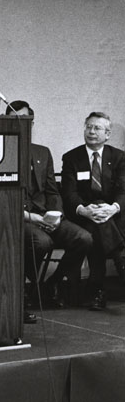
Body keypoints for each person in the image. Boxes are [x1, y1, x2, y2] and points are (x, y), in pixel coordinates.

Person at [7, 101, 92, 315]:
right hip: (20, 218)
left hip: (46, 216)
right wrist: (33, 218)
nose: (20, 123)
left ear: (32, 124)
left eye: (25, 119)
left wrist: (56, 215)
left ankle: (51, 283)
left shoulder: (42, 153)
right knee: (41, 242)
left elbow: (52, 191)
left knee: (83, 238)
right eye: (14, 119)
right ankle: (24, 288)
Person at [61, 111, 125, 311]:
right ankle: (120, 262)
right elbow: (69, 193)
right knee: (96, 227)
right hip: (84, 215)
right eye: (88, 127)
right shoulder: (72, 158)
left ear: (107, 134)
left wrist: (113, 208)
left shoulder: (119, 157)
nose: (91, 131)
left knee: (98, 229)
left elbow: (123, 191)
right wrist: (84, 210)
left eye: (97, 128)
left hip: (112, 216)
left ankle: (97, 289)